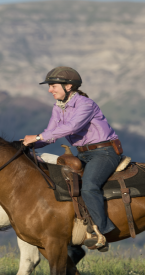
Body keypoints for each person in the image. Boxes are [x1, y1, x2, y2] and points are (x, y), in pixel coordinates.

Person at [22, 66, 122, 249]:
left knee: (90, 187)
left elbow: (72, 127)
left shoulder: (86, 104)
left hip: (104, 152)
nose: (49, 90)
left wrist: (37, 138)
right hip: (84, 153)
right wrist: (27, 146)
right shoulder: (58, 107)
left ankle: (102, 232)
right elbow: (50, 133)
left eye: (53, 86)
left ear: (68, 86)